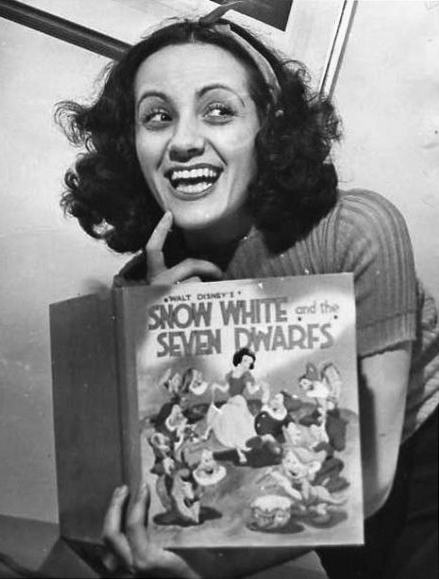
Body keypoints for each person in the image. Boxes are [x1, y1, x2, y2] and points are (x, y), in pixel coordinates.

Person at [55, 4, 438, 578]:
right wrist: (158, 336)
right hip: (306, 489)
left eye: (218, 110)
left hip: (413, 467)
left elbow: (373, 477)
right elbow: (166, 482)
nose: (184, 140)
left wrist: (206, 571)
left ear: (269, 128)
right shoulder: (139, 287)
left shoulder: (357, 230)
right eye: (157, 117)